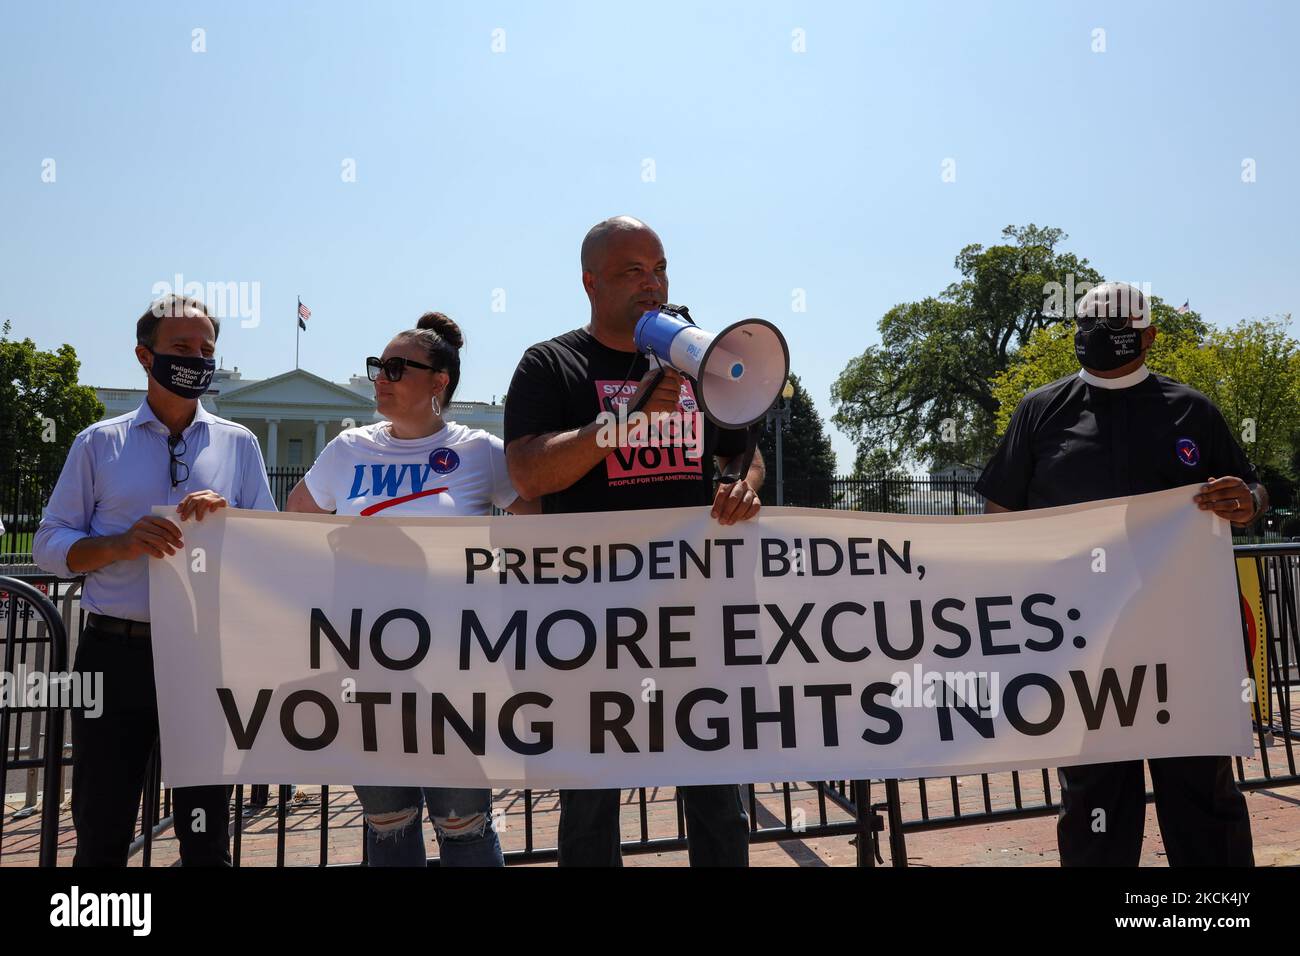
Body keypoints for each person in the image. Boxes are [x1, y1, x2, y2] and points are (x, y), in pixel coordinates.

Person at [503, 215, 765, 867]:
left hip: (693, 619)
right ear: (590, 282)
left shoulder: (698, 365)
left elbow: (743, 452)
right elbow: (530, 471)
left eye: (660, 269)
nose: (652, 284)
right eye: (631, 271)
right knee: (590, 808)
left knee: (719, 805)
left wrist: (739, 483)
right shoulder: (550, 364)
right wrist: (623, 424)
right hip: (591, 624)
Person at [976, 281, 1264, 867]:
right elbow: (999, 516)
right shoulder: (1040, 411)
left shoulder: (1193, 411)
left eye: (1111, 326)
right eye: (1085, 323)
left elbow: (1253, 488)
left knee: (1203, 796)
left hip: (1183, 646)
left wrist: (1249, 501)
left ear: (1149, 335)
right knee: (1094, 803)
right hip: (1084, 648)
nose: (1094, 336)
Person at [33, 294, 276, 866]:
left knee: (206, 827)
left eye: (206, 349)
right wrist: (119, 544)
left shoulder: (238, 445)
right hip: (113, 655)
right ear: (145, 356)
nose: (196, 358)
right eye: (181, 347)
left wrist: (231, 524)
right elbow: (48, 543)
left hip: (202, 656)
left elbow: (267, 549)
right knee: (101, 820)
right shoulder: (98, 443)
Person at [286, 311, 536, 866]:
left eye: (397, 368)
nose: (381, 376)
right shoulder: (348, 449)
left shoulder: (477, 450)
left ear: (438, 381)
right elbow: (292, 523)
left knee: (462, 824)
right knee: (388, 824)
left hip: (454, 667)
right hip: (365, 663)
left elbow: (543, 526)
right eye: (378, 365)